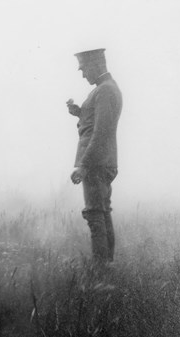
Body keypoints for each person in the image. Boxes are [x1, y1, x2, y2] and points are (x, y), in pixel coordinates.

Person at [66, 48, 123, 263]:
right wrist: (79, 112)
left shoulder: (105, 90)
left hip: (96, 164)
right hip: (101, 161)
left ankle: (101, 272)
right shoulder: (105, 89)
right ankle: (107, 269)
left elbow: (101, 132)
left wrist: (84, 165)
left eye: (84, 68)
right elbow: (97, 123)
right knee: (101, 213)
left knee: (95, 215)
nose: (82, 74)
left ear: (97, 64)